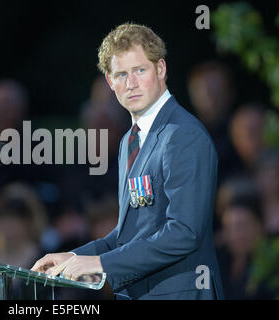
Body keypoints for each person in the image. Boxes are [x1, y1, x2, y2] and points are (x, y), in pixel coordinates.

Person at [31, 22, 224, 300]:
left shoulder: (183, 134)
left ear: (160, 69)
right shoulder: (128, 141)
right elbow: (129, 234)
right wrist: (73, 257)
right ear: (110, 82)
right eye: (121, 74)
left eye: (139, 70)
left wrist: (101, 264)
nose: (130, 84)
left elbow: (184, 232)